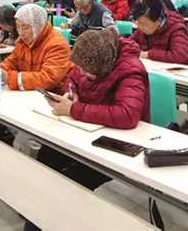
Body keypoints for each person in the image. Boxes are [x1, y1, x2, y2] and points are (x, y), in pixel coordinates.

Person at [25, 29, 150, 231]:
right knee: (46, 156)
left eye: (87, 71)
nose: (82, 72)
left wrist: (73, 109)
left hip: (116, 143)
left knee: (71, 181)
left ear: (104, 66)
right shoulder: (91, 56)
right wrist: (71, 92)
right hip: (86, 131)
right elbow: (73, 76)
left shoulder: (131, 69)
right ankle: (36, 213)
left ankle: (46, 220)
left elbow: (128, 114)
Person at [0, 4, 72, 93]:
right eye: (18, 27)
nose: (21, 33)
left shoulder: (57, 44)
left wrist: (11, 78)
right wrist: (0, 68)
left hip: (55, 95)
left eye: (25, 28)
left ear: (37, 26)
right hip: (33, 92)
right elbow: (13, 62)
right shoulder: (23, 42)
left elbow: (48, 78)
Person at [130, 0, 188, 65]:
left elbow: (179, 56)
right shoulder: (142, 29)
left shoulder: (176, 28)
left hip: (185, 69)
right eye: (138, 23)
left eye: (144, 24)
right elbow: (128, 43)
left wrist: (148, 54)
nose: (141, 27)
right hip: (157, 67)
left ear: (158, 21)